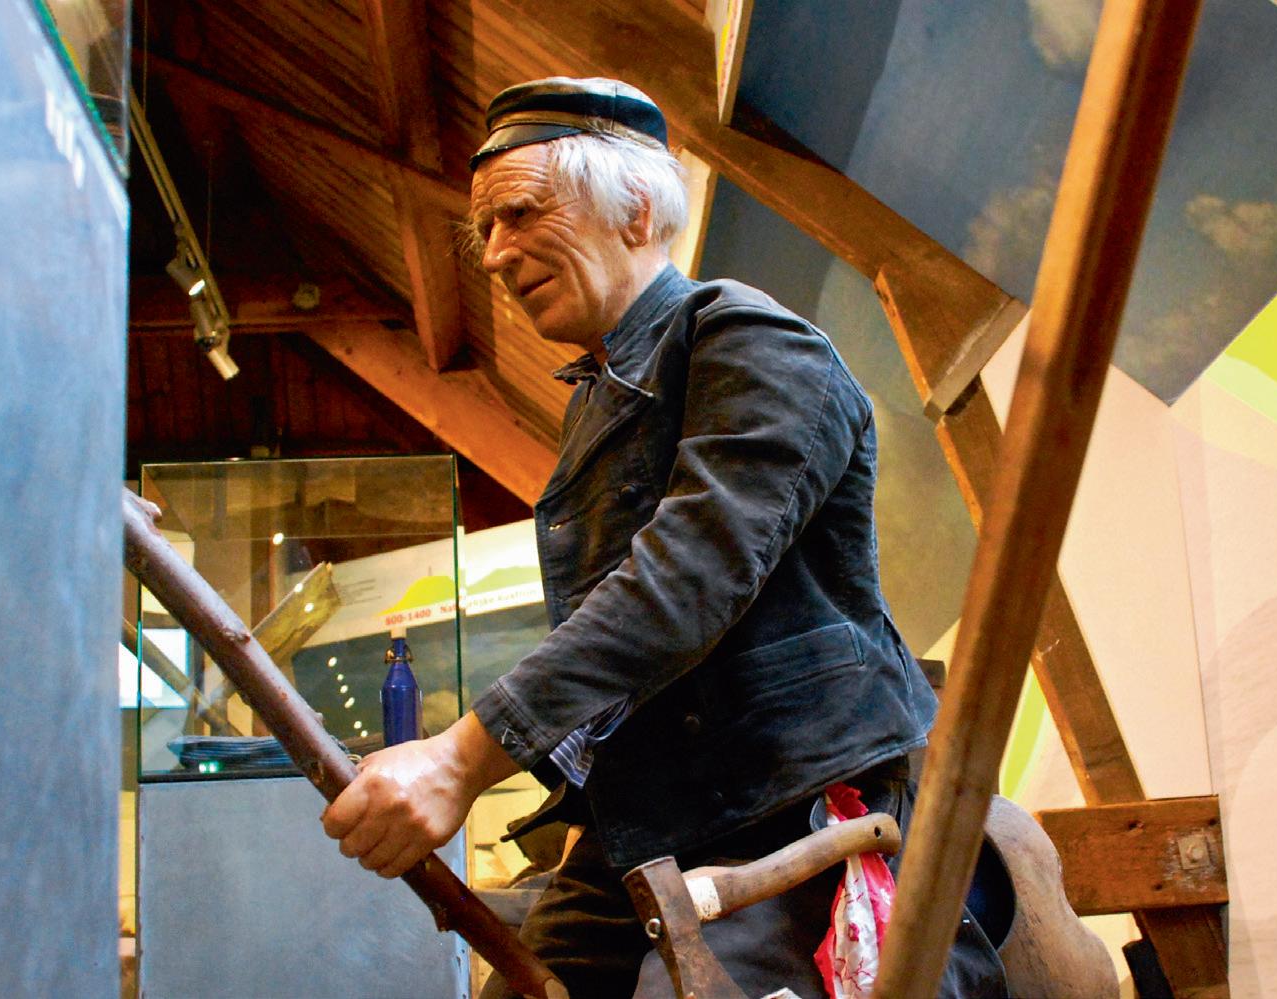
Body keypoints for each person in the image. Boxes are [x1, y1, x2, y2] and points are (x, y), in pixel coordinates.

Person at [320, 77, 1006, 998]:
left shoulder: (754, 343)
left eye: (519, 214)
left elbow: (685, 578)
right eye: (484, 229)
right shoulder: (597, 399)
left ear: (637, 210)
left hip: (787, 801)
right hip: (647, 827)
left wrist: (461, 755)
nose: (495, 255)